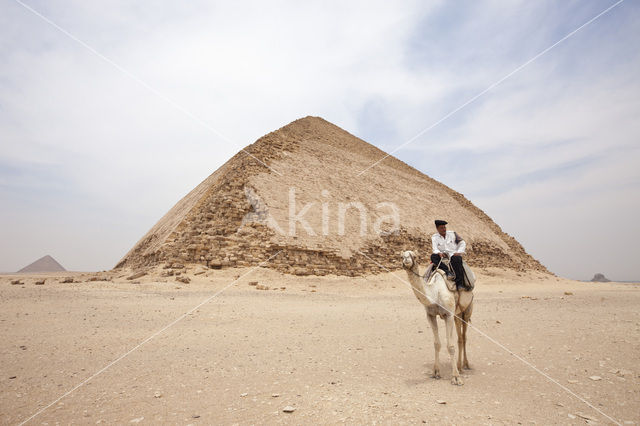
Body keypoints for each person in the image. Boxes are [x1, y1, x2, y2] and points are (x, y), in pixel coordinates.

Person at [430, 219, 466, 290]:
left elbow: (462, 243)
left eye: (444, 227)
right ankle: (447, 271)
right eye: (441, 228)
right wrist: (439, 253)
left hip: (453, 255)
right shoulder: (434, 237)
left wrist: (459, 251)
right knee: (433, 256)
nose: (444, 229)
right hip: (442, 256)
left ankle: (459, 284)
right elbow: (435, 248)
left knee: (458, 259)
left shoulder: (453, 234)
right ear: (437, 229)